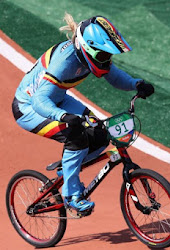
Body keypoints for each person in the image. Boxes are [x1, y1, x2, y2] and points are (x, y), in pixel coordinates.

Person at [12, 13, 154, 214]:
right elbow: (39, 101)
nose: (107, 60)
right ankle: (72, 196)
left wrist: (135, 84)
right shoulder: (65, 63)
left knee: (101, 133)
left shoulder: (90, 57)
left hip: (56, 99)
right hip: (29, 108)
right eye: (104, 55)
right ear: (87, 48)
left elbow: (114, 77)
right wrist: (62, 116)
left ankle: (67, 170)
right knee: (76, 136)